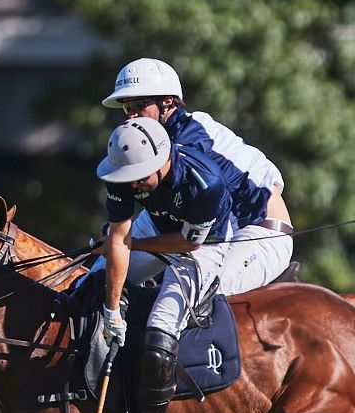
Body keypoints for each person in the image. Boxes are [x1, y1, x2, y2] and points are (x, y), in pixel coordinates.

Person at [93, 116, 272, 413]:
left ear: (163, 161)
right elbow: (118, 240)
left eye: (141, 177)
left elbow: (188, 244)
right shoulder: (124, 174)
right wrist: (111, 310)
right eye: (129, 179)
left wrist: (135, 245)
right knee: (88, 289)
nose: (134, 186)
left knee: (160, 331)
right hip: (156, 231)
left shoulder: (205, 183)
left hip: (204, 246)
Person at [101, 57, 294, 293]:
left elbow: (194, 236)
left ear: (167, 101)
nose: (131, 116)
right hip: (185, 224)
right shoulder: (148, 142)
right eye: (127, 108)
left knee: (198, 298)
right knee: (97, 280)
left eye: (139, 105)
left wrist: (134, 244)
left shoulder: (192, 139)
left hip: (255, 232)